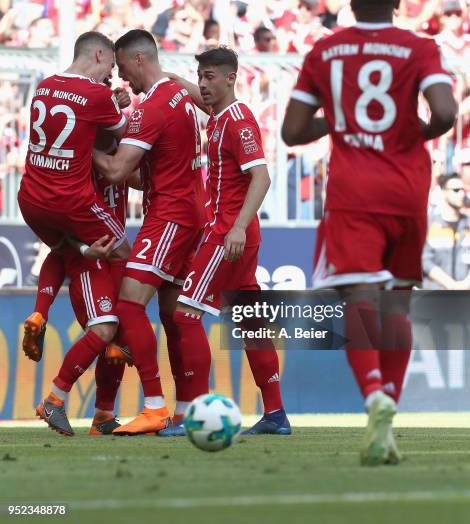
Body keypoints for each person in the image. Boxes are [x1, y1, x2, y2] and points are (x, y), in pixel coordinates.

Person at [282, 0, 456, 464]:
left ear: (352, 4)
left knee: (359, 294)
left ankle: (375, 395)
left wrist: (338, 119)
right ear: (398, 3)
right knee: (397, 302)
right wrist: (411, 133)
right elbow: (445, 113)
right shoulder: (420, 47)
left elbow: (293, 132)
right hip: (407, 187)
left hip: (354, 188)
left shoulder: (325, 50)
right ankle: (390, 419)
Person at [169, 46, 291, 435]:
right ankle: (275, 415)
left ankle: (196, 413)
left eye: (210, 77)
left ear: (231, 78)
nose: (203, 84)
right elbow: (197, 95)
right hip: (238, 234)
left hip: (228, 234)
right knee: (252, 323)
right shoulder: (220, 116)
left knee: (185, 315)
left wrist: (236, 226)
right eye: (200, 76)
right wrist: (166, 80)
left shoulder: (238, 121)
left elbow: (262, 177)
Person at [93, 29, 207, 435]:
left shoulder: (153, 105)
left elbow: (118, 171)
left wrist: (78, 141)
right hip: (191, 210)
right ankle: (189, 411)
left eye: (123, 69)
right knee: (176, 316)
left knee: (128, 305)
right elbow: (144, 176)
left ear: (139, 60)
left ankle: (156, 406)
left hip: (171, 217)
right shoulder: (177, 94)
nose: (124, 79)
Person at [17, 31, 132, 435]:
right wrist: (124, 102)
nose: (109, 78)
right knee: (111, 323)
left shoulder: (45, 88)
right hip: (78, 208)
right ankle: (56, 400)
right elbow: (125, 134)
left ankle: (40, 312)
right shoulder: (99, 103)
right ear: (100, 54)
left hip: (35, 200)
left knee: (67, 249)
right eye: (109, 70)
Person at [423, 172, 470, 290]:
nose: (461, 194)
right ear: (444, 192)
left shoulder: (469, 224)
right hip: (436, 296)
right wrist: (451, 285)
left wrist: (466, 284)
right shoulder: (429, 224)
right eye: (455, 190)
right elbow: (424, 260)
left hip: (465, 297)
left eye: (462, 190)